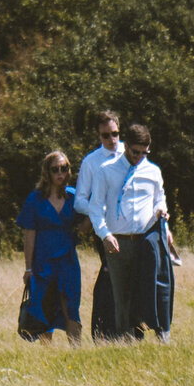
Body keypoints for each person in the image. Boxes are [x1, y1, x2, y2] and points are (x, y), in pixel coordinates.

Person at [93, 122, 177, 342]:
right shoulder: (107, 171)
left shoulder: (153, 171)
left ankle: (157, 333)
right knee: (121, 295)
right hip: (117, 241)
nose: (139, 156)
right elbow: (95, 208)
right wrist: (105, 235)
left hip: (145, 241)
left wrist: (162, 214)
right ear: (126, 146)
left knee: (149, 290)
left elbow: (160, 198)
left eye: (144, 152)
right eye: (135, 152)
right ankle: (125, 339)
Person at [16, 151, 84, 344]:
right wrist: (28, 268)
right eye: (55, 169)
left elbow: (86, 222)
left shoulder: (74, 197)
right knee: (45, 307)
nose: (60, 173)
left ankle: (76, 351)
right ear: (47, 172)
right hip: (43, 261)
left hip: (68, 260)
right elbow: (29, 235)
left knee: (70, 304)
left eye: (64, 168)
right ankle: (48, 356)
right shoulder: (35, 199)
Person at [71, 112, 124, 339]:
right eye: (106, 135)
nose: (112, 140)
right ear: (98, 136)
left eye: (115, 134)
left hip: (131, 228)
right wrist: (99, 209)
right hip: (105, 229)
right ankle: (103, 330)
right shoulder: (91, 161)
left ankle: (130, 329)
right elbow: (80, 200)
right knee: (109, 275)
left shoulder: (129, 155)